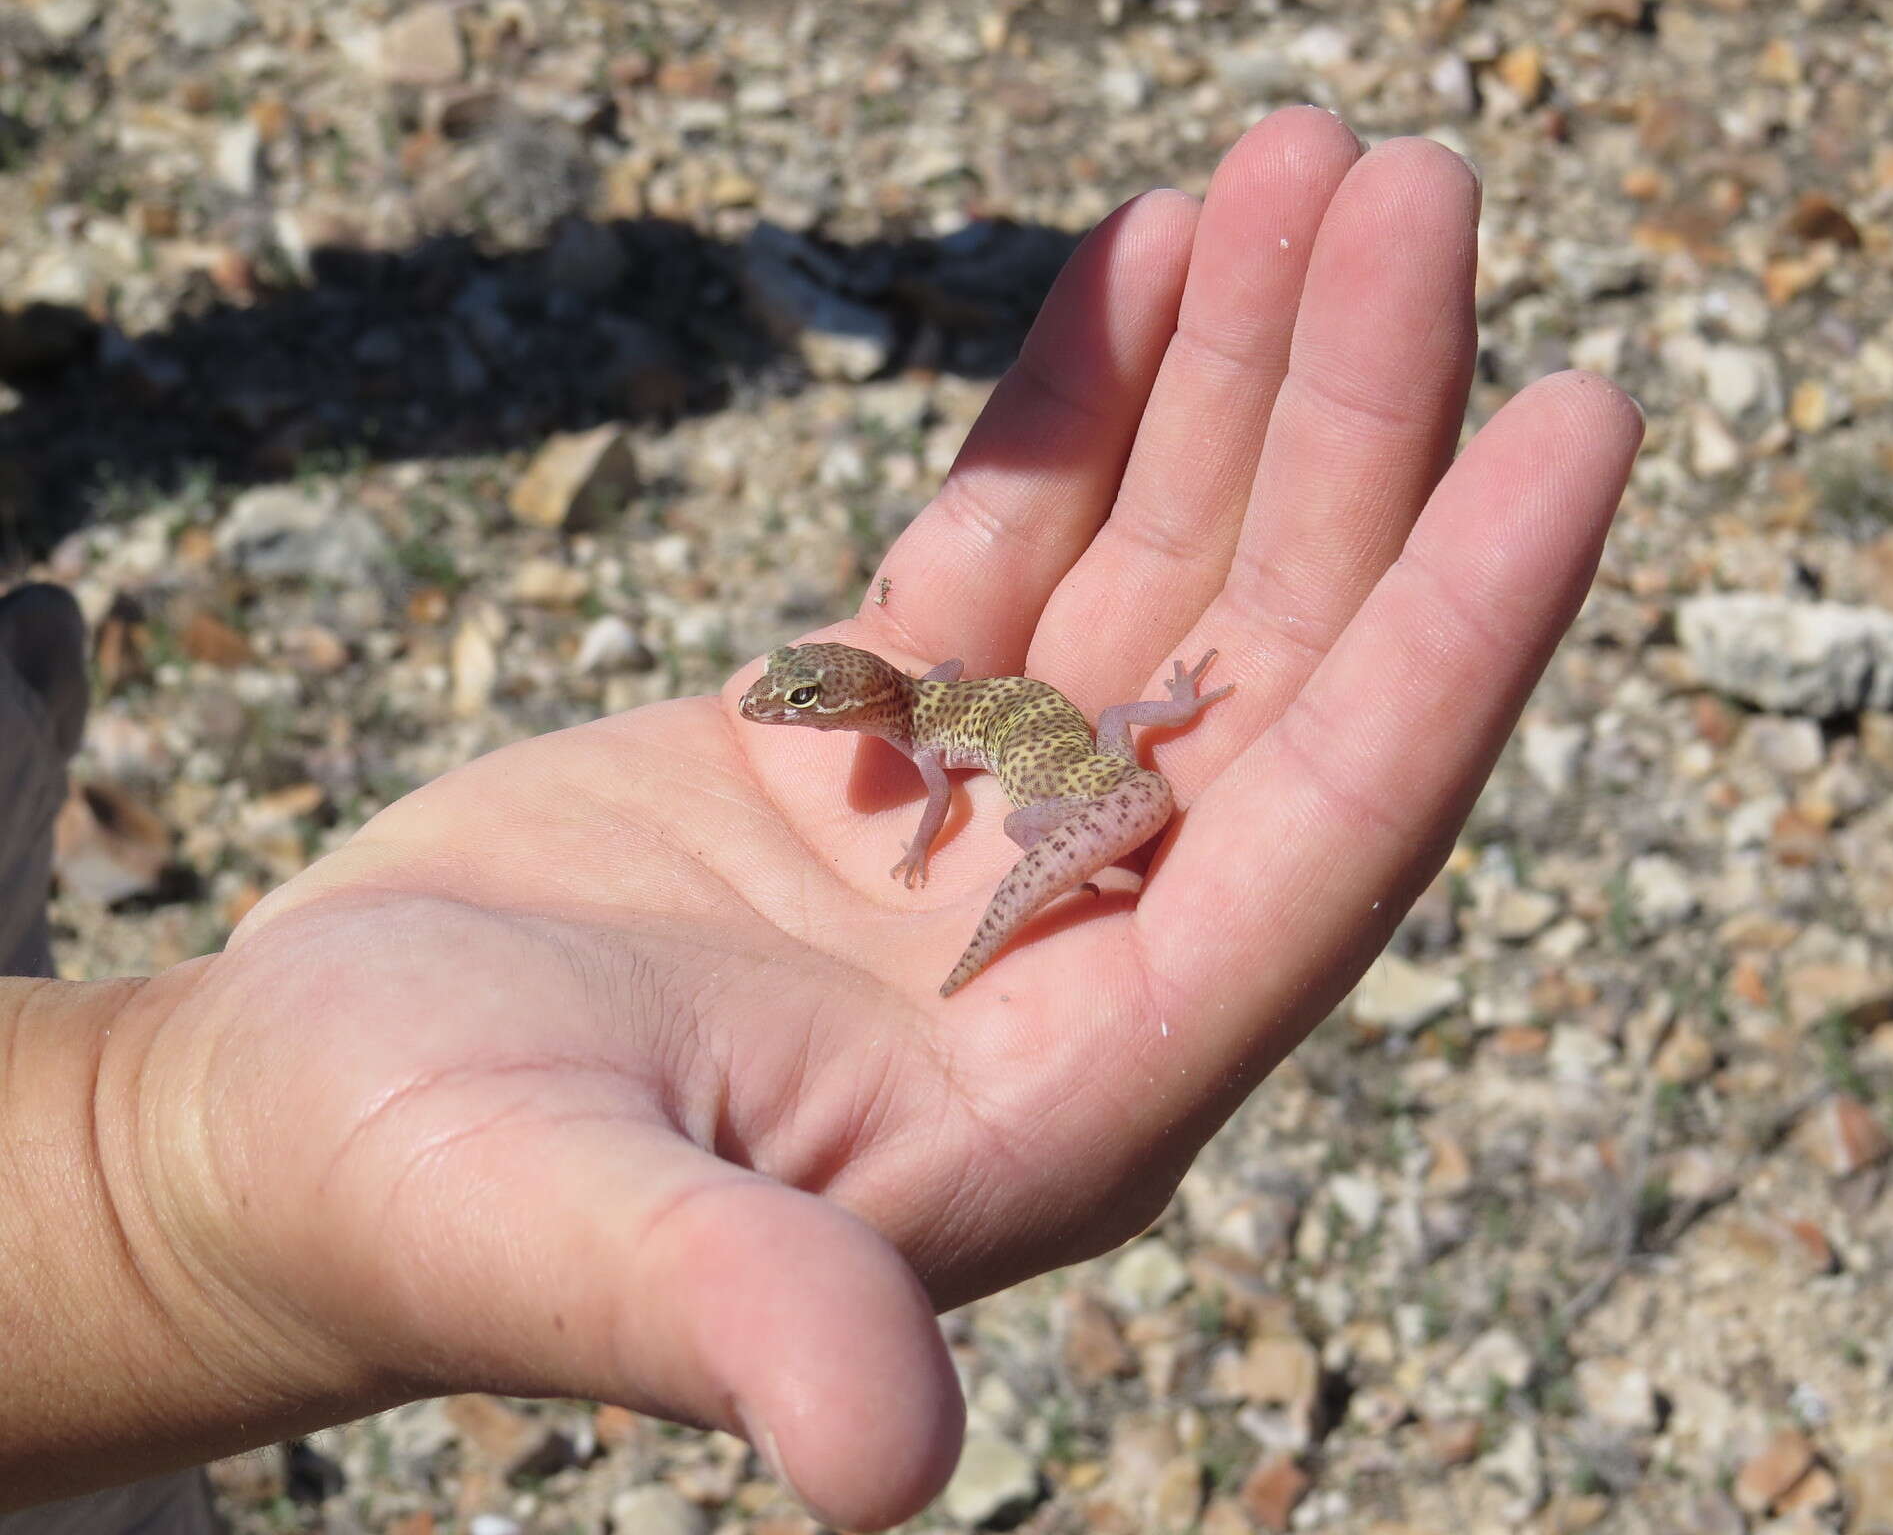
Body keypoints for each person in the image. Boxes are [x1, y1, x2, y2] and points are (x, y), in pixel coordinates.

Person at [0, 110, 1640, 1532]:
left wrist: (955, 855)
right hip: (1115, 763)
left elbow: (953, 782)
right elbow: (1066, 759)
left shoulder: (936, 732)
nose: (790, 710)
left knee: (1041, 847)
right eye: (797, 697)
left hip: (1091, 789)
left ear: (863, 705)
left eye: (806, 696)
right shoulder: (966, 719)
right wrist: (144, 1185)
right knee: (1087, 802)